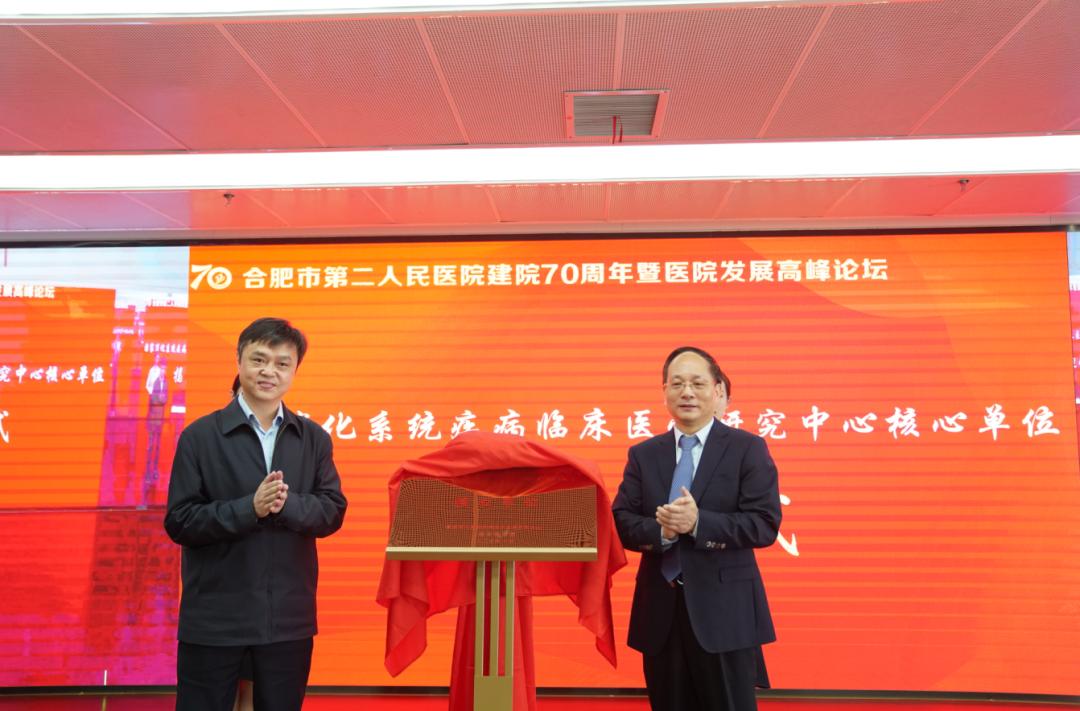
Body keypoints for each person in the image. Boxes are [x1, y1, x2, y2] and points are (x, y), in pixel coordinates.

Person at [165, 317, 348, 711]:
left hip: (287, 620)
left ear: (294, 371)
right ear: (239, 360)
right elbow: (180, 521)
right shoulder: (200, 436)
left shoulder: (313, 438)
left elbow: (332, 511)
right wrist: (248, 509)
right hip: (215, 620)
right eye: (259, 360)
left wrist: (287, 504)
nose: (269, 372)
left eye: (282, 363)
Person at [612, 346, 781, 711]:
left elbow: (764, 523)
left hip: (726, 614)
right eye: (677, 384)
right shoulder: (644, 454)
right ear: (664, 392)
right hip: (661, 614)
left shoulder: (747, 448)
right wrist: (663, 532)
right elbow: (621, 521)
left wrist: (699, 523)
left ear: (717, 390)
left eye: (697, 383)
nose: (686, 392)